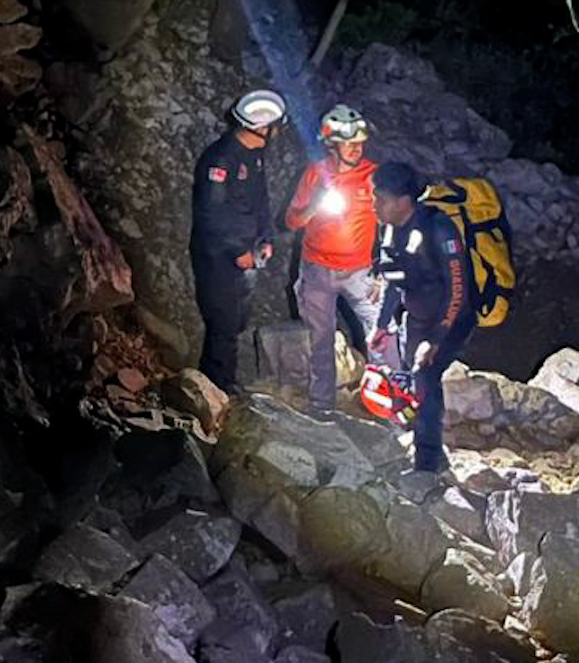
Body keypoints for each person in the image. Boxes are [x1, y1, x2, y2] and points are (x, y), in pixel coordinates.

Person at [283, 104, 386, 417]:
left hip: (360, 272)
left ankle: (385, 401)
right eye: (348, 143)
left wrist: (384, 270)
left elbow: (393, 223)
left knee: (381, 333)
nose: (356, 148)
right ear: (332, 144)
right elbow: (291, 222)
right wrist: (315, 204)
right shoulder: (315, 174)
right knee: (321, 338)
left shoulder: (373, 176)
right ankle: (321, 405)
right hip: (316, 270)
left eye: (359, 142)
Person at [371, 161, 474, 474]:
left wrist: (436, 340)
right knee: (414, 383)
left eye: (382, 199)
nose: (375, 204)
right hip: (415, 317)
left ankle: (427, 468)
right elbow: (393, 279)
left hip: (450, 320)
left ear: (404, 202)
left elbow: (458, 290)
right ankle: (428, 448)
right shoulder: (388, 228)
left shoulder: (439, 229)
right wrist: (382, 324)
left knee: (426, 381)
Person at [190, 89, 287, 393]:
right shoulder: (220, 159)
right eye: (273, 127)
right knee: (223, 325)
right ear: (260, 128)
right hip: (219, 257)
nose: (276, 132)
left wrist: (266, 237)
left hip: (248, 254)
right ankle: (218, 389)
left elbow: (261, 201)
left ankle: (221, 385)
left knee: (237, 320)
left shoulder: (254, 156)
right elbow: (212, 213)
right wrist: (236, 251)